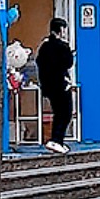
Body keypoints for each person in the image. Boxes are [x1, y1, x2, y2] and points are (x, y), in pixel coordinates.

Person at [36, 19, 75, 154]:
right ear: (61, 29)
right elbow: (68, 63)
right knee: (65, 113)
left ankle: (57, 140)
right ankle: (57, 140)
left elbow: (40, 63)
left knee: (58, 112)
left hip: (49, 86)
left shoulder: (44, 46)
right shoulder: (62, 46)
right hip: (61, 84)